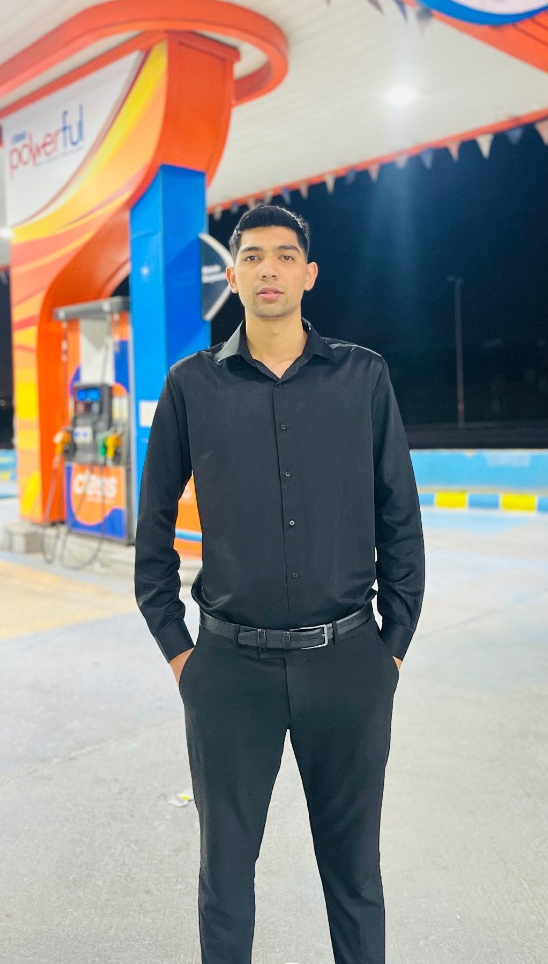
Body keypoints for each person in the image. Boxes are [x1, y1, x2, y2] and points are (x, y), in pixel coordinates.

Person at [134, 204, 425, 964]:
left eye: (285, 255)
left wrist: (389, 651)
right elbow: (152, 534)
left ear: (309, 274)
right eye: (254, 256)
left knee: (355, 875)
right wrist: (183, 657)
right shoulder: (190, 386)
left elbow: (400, 517)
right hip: (229, 672)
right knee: (225, 879)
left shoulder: (363, 377)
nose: (270, 268)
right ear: (231, 276)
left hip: (348, 661)